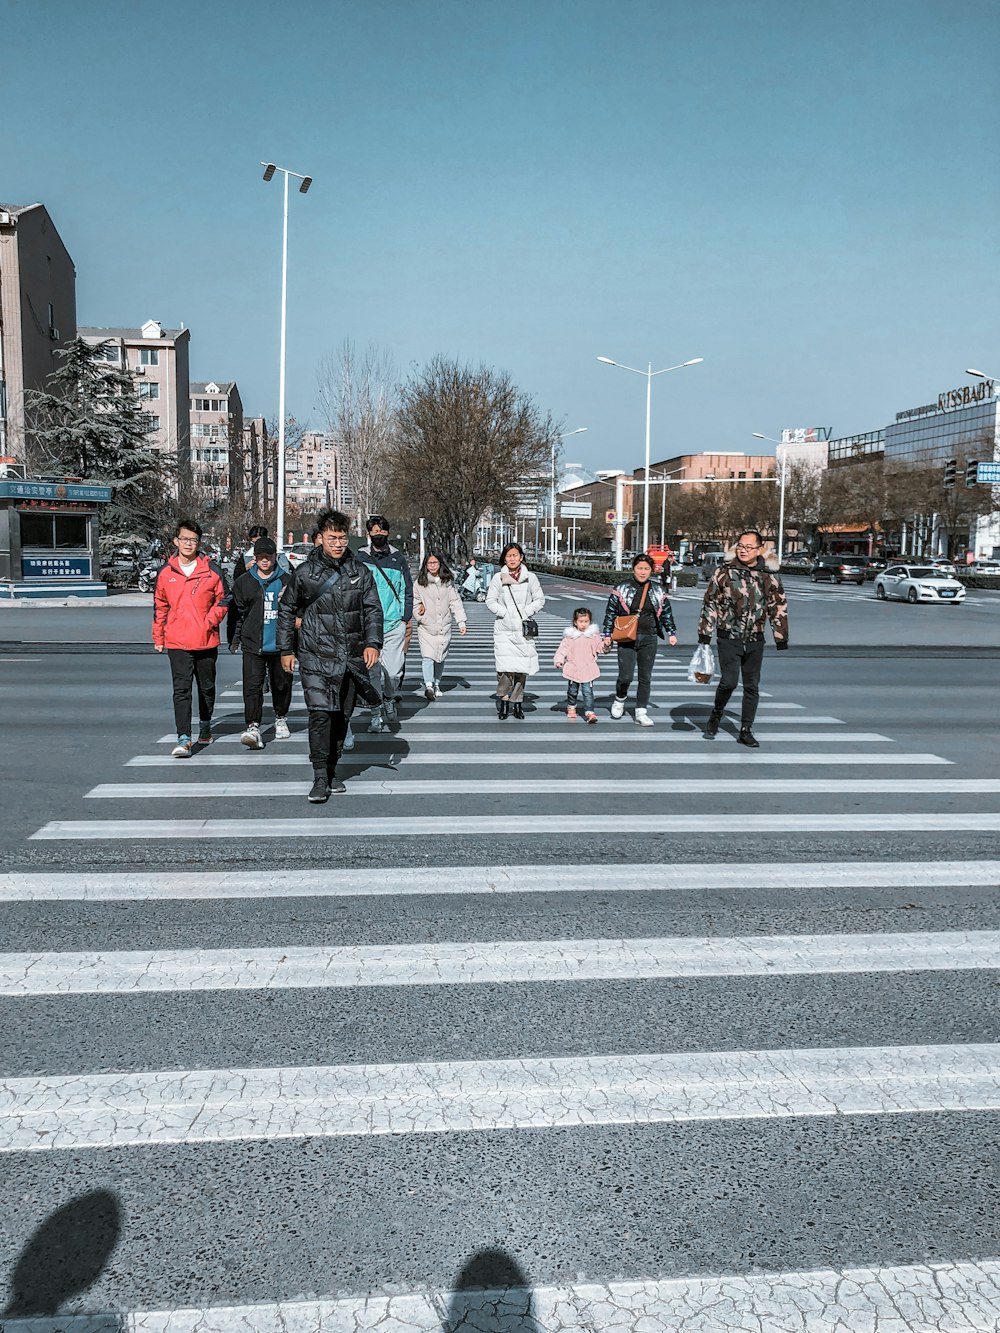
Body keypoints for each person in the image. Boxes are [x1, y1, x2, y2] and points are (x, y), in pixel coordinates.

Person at [276, 510, 382, 802]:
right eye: (332, 537)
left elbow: (372, 609)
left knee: (342, 716)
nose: (338, 543)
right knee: (320, 714)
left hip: (350, 657)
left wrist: (373, 643)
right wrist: (286, 648)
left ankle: (333, 769)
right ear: (319, 538)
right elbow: (286, 610)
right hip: (315, 656)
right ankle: (320, 775)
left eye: (342, 538)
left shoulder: (360, 571)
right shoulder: (305, 574)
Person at [698, 529, 788, 748]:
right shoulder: (724, 572)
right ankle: (717, 713)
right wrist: (705, 632)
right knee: (729, 681)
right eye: (740, 545)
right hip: (728, 636)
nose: (744, 550)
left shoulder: (769, 575)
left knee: (752, 685)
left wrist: (780, 636)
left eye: (749, 547)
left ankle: (746, 729)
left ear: (759, 550)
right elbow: (710, 602)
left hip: (755, 637)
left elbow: (778, 606)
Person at [152, 518, 230, 758]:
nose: (188, 543)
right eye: (184, 539)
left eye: (193, 540)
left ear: (199, 543)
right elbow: (160, 605)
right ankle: (183, 737)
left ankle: (205, 725)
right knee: (181, 689)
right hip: (177, 641)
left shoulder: (211, 570)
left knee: (206, 687)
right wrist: (159, 636)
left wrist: (211, 620)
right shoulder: (166, 572)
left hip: (205, 639)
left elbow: (225, 598)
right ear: (176, 541)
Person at [229, 536, 294, 749]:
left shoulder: (286, 581)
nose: (265, 561)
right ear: (255, 558)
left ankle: (281, 717)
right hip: (253, 643)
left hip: (279, 644)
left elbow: (296, 613)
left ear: (275, 557)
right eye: (260, 557)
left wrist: (294, 645)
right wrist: (234, 638)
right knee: (252, 686)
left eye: (269, 557)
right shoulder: (244, 583)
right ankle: (253, 725)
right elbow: (237, 614)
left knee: (282, 684)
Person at [602, 552, 678, 726]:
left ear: (651, 570)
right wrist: (607, 635)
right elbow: (610, 613)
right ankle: (620, 699)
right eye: (639, 568)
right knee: (626, 676)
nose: (643, 572)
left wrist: (671, 633)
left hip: (649, 637)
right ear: (633, 569)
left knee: (645, 677)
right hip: (627, 638)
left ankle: (641, 711)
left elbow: (666, 612)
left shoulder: (658, 590)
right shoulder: (621, 588)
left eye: (646, 568)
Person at [357, 514, 413, 732]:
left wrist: (404, 616)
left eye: (382, 530)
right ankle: (375, 713)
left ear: (387, 533)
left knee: (392, 671)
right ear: (369, 533)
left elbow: (407, 589)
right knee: (372, 672)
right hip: (368, 624)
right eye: (374, 531)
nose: (378, 534)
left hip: (393, 623)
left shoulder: (398, 559)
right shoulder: (360, 558)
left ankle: (389, 698)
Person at [485, 542, 545, 720]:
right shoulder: (498, 578)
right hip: (504, 631)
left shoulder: (531, 578)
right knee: (504, 670)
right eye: (509, 555)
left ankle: (517, 704)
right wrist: (505, 613)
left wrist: (526, 612)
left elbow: (540, 599)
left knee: (520, 671)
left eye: (515, 555)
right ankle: (503, 702)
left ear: (521, 557)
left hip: (523, 631)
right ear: (504, 558)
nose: (512, 559)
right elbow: (490, 601)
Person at [413, 551, 467, 700]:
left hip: (444, 625)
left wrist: (461, 621)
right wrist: (419, 613)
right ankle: (428, 684)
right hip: (426, 626)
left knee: (440, 657)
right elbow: (414, 601)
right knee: (427, 656)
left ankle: (437, 683)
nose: (432, 566)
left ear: (440, 564)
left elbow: (455, 601)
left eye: (435, 563)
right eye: (429, 563)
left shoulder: (447, 581)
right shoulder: (419, 583)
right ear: (425, 565)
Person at [554, 606, 606, 723]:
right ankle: (571, 706)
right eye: (581, 622)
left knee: (588, 691)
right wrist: (559, 660)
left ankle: (589, 712)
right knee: (572, 690)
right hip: (574, 668)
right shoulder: (570, 637)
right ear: (575, 622)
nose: (584, 624)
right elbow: (562, 650)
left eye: (586, 621)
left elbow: (599, 647)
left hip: (588, 668)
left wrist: (606, 645)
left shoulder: (593, 636)